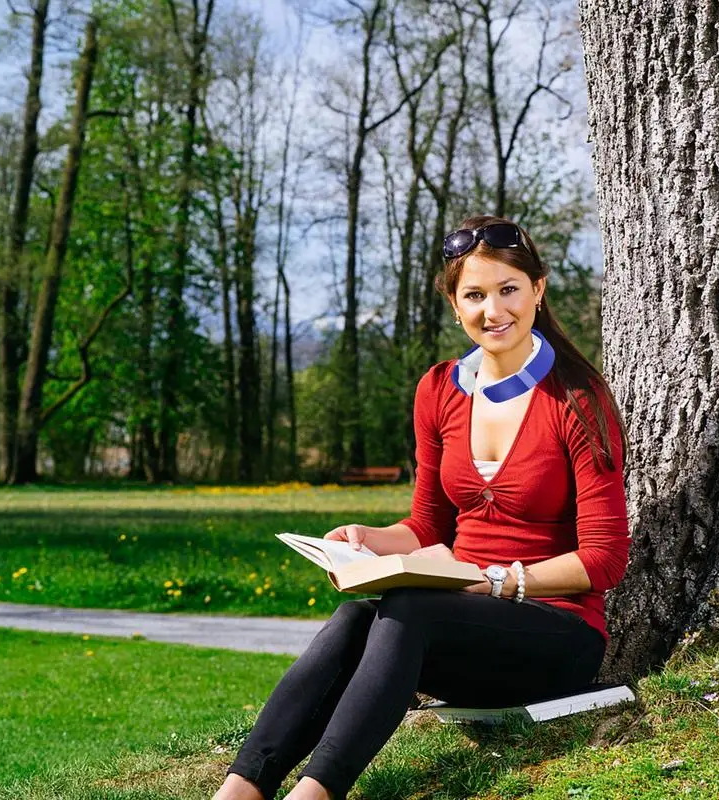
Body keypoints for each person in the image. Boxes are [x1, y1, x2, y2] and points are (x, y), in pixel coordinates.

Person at [213, 215, 631, 800]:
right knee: (359, 614)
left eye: (509, 289)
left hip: (557, 636)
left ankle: (316, 793)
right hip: (453, 627)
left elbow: (605, 561)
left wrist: (493, 583)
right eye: (475, 296)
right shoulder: (439, 389)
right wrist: (364, 540)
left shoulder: (579, 399)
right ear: (455, 306)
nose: (494, 310)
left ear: (538, 289)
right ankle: (242, 788)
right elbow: (428, 526)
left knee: (409, 608)